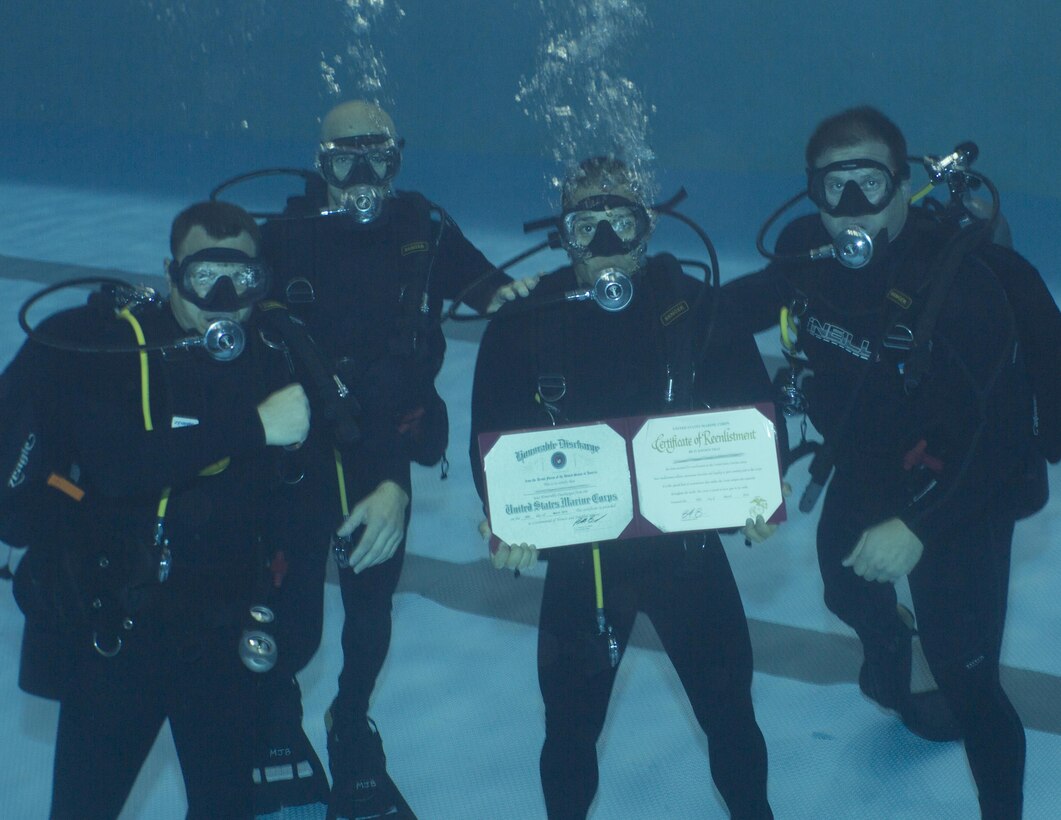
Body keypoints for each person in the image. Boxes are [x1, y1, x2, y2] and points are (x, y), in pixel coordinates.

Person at [724, 106, 1036, 818]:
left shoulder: (958, 280)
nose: (851, 208)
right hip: (866, 468)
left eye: (869, 182)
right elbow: (724, 315)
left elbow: (1003, 438)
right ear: (811, 191)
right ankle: (892, 662)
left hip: (960, 489)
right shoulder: (809, 256)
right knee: (842, 589)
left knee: (969, 682)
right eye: (834, 188)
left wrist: (919, 525)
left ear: (904, 185)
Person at [470, 157, 777, 819]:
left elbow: (754, 416)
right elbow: (490, 439)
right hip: (584, 567)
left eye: (621, 222)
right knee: (569, 729)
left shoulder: (695, 307)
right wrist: (500, 521)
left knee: (730, 716)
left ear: (650, 226)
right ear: (562, 233)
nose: (606, 244)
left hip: (688, 554)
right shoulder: (524, 322)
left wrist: (757, 496)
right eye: (588, 226)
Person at [259, 99, 534, 820]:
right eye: (342, 159)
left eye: (374, 156)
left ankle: (350, 716)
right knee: (293, 616)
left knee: (369, 604)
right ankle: (275, 709)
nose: (360, 174)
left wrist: (531, 299)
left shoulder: (422, 226)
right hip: (300, 454)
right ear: (320, 165)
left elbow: (490, 288)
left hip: (383, 453)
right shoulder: (286, 235)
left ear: (396, 159)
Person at [8, 201, 312, 819]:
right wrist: (255, 427)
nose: (224, 294)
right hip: (119, 631)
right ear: (171, 272)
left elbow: (309, 490)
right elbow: (122, 465)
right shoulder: (115, 351)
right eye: (205, 275)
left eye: (242, 277)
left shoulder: (273, 354)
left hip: (222, 637)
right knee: (82, 809)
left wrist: (385, 491)